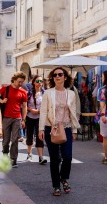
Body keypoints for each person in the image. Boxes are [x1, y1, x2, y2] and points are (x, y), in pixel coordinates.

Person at [38, 67, 80, 196]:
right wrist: (41, 128)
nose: (57, 77)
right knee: (55, 158)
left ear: (65, 77)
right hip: (52, 128)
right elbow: (43, 111)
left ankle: (64, 177)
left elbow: (72, 113)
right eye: (55, 75)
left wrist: (74, 130)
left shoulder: (71, 93)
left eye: (60, 74)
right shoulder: (48, 93)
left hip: (66, 127)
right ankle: (56, 185)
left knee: (67, 157)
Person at [0, 71, 27, 168]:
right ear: (14, 80)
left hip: (17, 118)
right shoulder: (5, 89)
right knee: (6, 140)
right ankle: (5, 156)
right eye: (19, 81)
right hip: (6, 117)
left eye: (22, 82)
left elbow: (24, 106)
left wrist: (24, 119)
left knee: (15, 139)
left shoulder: (23, 92)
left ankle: (13, 159)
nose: (20, 84)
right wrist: (2, 100)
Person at [26, 75, 47, 165]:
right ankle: (29, 153)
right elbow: (23, 105)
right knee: (29, 136)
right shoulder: (29, 93)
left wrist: (39, 111)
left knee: (40, 137)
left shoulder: (45, 93)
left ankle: (40, 157)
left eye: (41, 81)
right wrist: (31, 110)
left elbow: (47, 106)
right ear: (33, 82)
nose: (39, 83)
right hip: (29, 117)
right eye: (37, 81)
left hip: (40, 117)